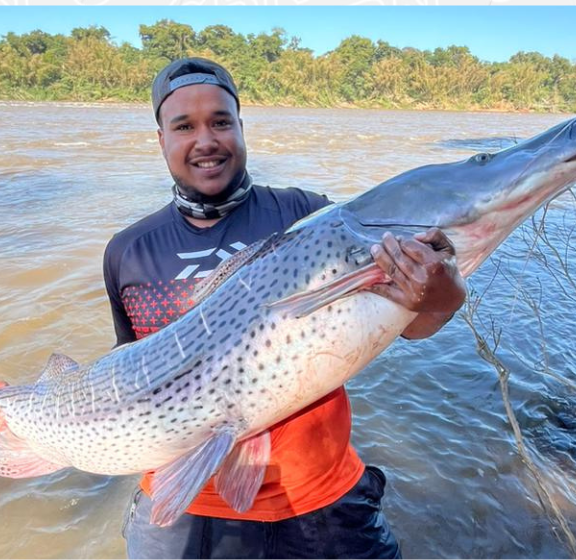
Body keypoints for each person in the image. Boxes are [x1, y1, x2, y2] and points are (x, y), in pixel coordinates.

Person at [103, 57, 466, 559]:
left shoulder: (311, 217)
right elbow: (126, 372)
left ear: (241, 128)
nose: (205, 140)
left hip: (323, 496)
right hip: (186, 506)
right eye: (184, 126)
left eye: (221, 121)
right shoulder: (128, 249)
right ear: (161, 138)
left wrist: (441, 301)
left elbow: (411, 326)